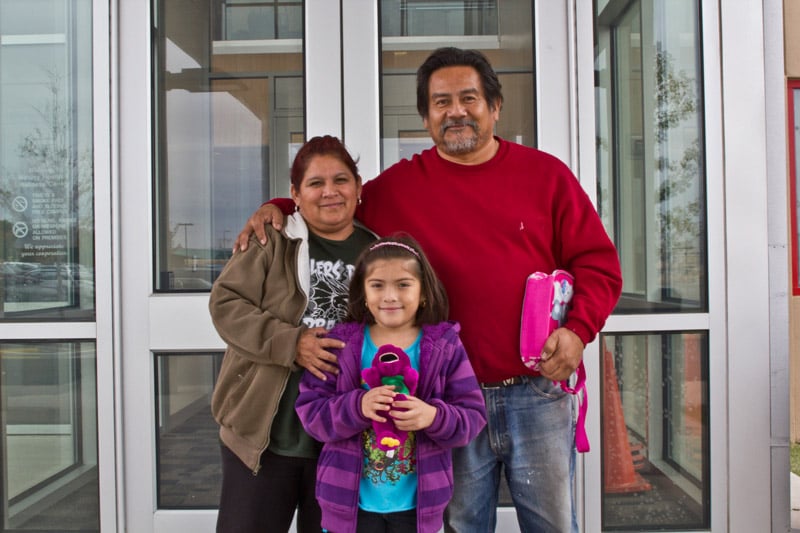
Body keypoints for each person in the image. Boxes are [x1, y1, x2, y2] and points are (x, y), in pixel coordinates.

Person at [236, 47, 623, 532]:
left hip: (538, 394)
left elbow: (599, 265)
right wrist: (279, 206)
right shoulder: (400, 187)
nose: (456, 111)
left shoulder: (546, 177)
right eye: (441, 102)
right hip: (445, 399)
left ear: (494, 107)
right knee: (460, 524)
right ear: (426, 116)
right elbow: (331, 201)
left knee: (552, 525)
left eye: (469, 98)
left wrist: (578, 332)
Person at [208, 135, 377, 532]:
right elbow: (226, 305)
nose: (330, 192)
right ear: (295, 194)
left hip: (343, 440)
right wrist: (291, 343)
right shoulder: (271, 241)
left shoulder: (378, 251)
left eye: (341, 180)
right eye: (315, 183)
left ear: (359, 187)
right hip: (266, 436)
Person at [295, 235, 487, 533]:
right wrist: (357, 406)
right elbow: (311, 414)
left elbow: (472, 417)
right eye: (377, 285)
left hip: (419, 508)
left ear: (423, 292)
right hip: (350, 508)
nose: (389, 296)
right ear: (362, 291)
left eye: (403, 284)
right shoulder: (340, 344)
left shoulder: (444, 347)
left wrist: (433, 417)